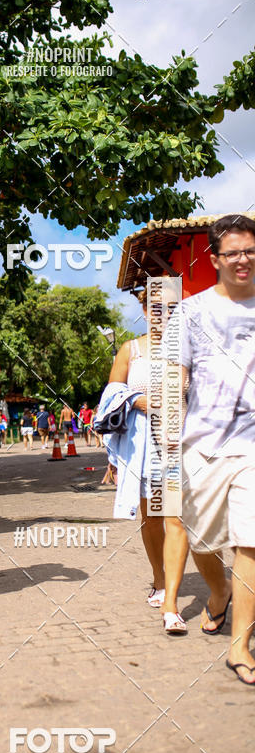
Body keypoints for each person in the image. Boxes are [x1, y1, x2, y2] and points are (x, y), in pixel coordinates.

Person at [174, 215, 255, 681]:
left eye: (250, 251)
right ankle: (219, 590)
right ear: (216, 258)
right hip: (202, 444)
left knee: (250, 539)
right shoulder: (192, 311)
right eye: (233, 253)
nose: (243, 260)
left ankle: (239, 645)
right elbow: (177, 377)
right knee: (202, 539)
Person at [95, 285, 190, 632]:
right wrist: (136, 400)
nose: (164, 315)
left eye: (172, 308)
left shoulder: (188, 349)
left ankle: (171, 603)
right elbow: (110, 396)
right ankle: (159, 579)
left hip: (180, 444)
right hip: (142, 448)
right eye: (157, 308)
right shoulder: (130, 350)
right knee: (151, 519)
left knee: (177, 519)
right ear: (146, 311)